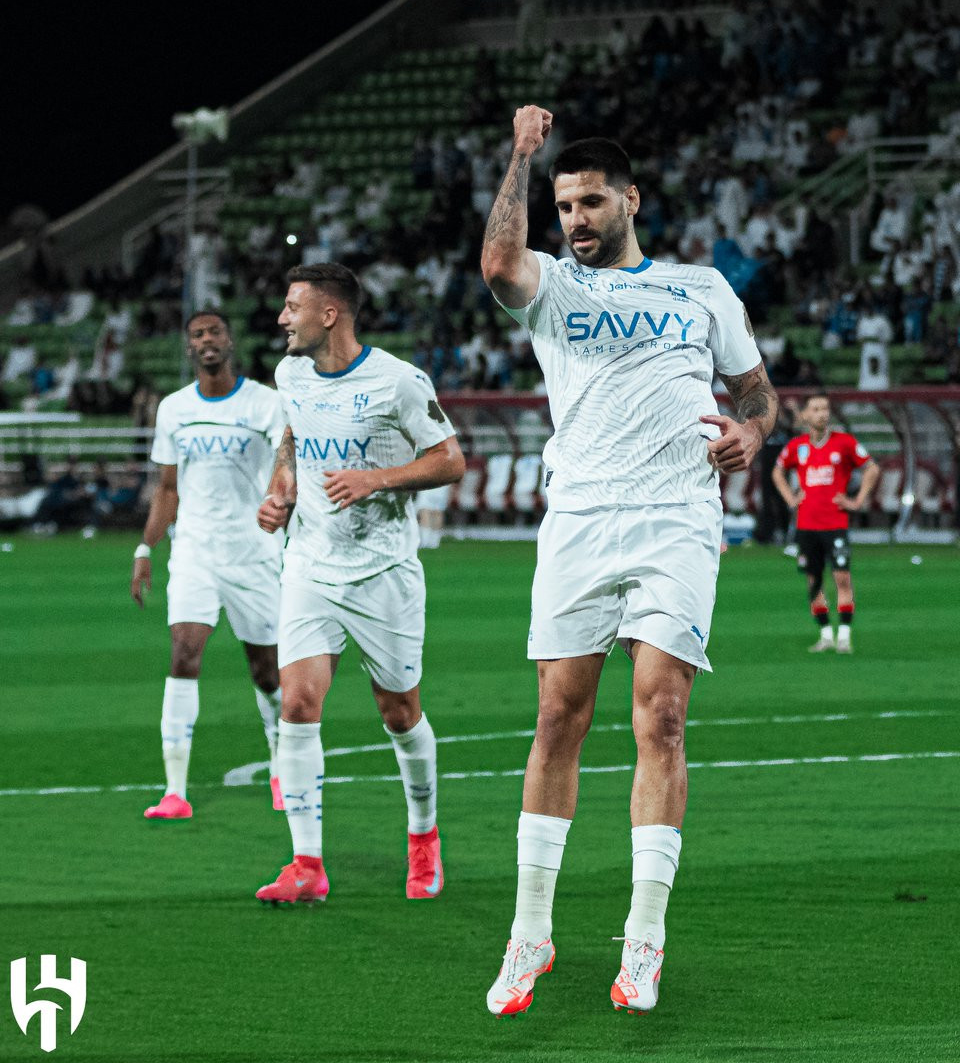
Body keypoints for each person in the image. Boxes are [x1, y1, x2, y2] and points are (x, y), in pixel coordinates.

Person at [480, 112, 778, 1018]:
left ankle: (643, 941)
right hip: (579, 518)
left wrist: (751, 433)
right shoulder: (554, 286)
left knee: (664, 717)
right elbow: (498, 265)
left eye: (591, 202)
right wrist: (521, 157)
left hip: (677, 518)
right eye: (565, 205)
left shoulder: (701, 288)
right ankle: (531, 931)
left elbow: (757, 392)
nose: (575, 218)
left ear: (631, 200)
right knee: (558, 717)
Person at [254, 262, 465, 905]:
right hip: (310, 565)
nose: (282, 319)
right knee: (297, 705)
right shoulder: (291, 374)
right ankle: (306, 866)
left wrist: (376, 478)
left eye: (292, 307)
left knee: (399, 713)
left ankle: (423, 836)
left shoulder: (399, 382)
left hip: (383, 573)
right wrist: (282, 485)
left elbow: (450, 460)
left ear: (329, 315)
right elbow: (293, 433)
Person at [131, 310, 287, 820]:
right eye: (197, 335)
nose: (206, 340)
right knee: (183, 655)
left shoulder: (264, 403)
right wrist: (145, 548)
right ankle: (174, 791)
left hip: (254, 552)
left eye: (214, 331)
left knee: (266, 670)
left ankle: (281, 766)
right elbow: (167, 488)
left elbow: (286, 468)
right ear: (189, 348)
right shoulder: (174, 408)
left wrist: (284, 510)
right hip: (195, 552)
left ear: (230, 340)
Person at [771, 392, 880, 654]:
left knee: (842, 576)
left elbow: (872, 468)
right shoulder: (798, 446)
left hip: (835, 523)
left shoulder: (844, 443)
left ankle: (844, 636)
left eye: (825, 409)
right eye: (816, 409)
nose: (823, 414)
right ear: (805, 415)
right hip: (807, 525)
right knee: (814, 580)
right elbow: (777, 471)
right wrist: (790, 498)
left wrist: (857, 500)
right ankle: (825, 635)